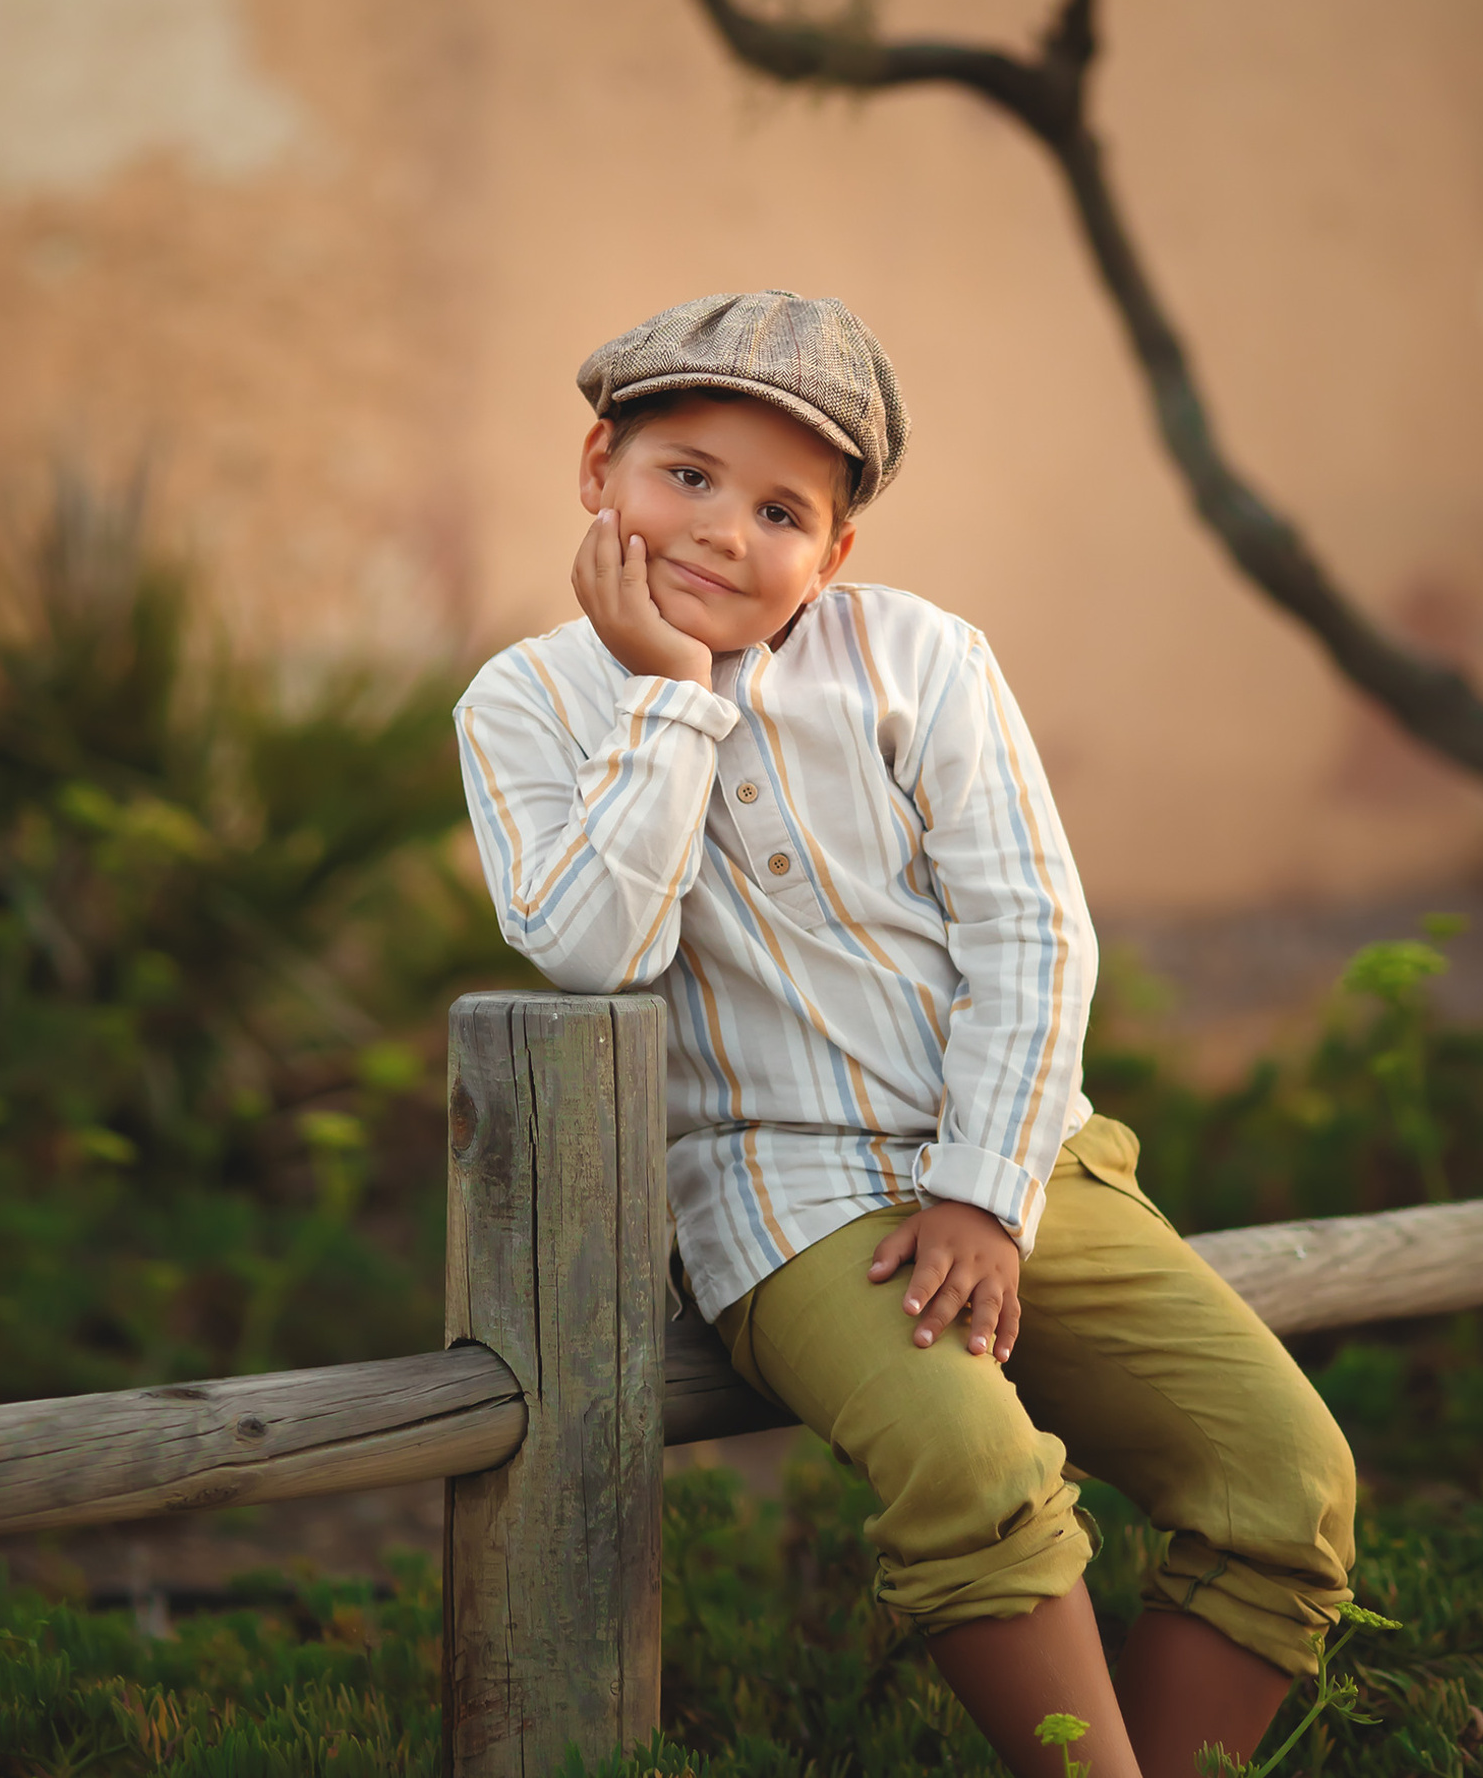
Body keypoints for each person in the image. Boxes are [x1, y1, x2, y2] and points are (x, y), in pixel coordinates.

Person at [455, 290, 1355, 1778]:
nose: (725, 533)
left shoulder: (922, 659)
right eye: (686, 475)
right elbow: (591, 946)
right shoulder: (527, 704)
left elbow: (1033, 931)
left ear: (838, 550)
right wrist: (675, 702)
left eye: (782, 511)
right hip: (778, 1192)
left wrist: (981, 1193)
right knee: (970, 1463)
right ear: (597, 465)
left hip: (1014, 1160)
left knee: (1286, 1476)